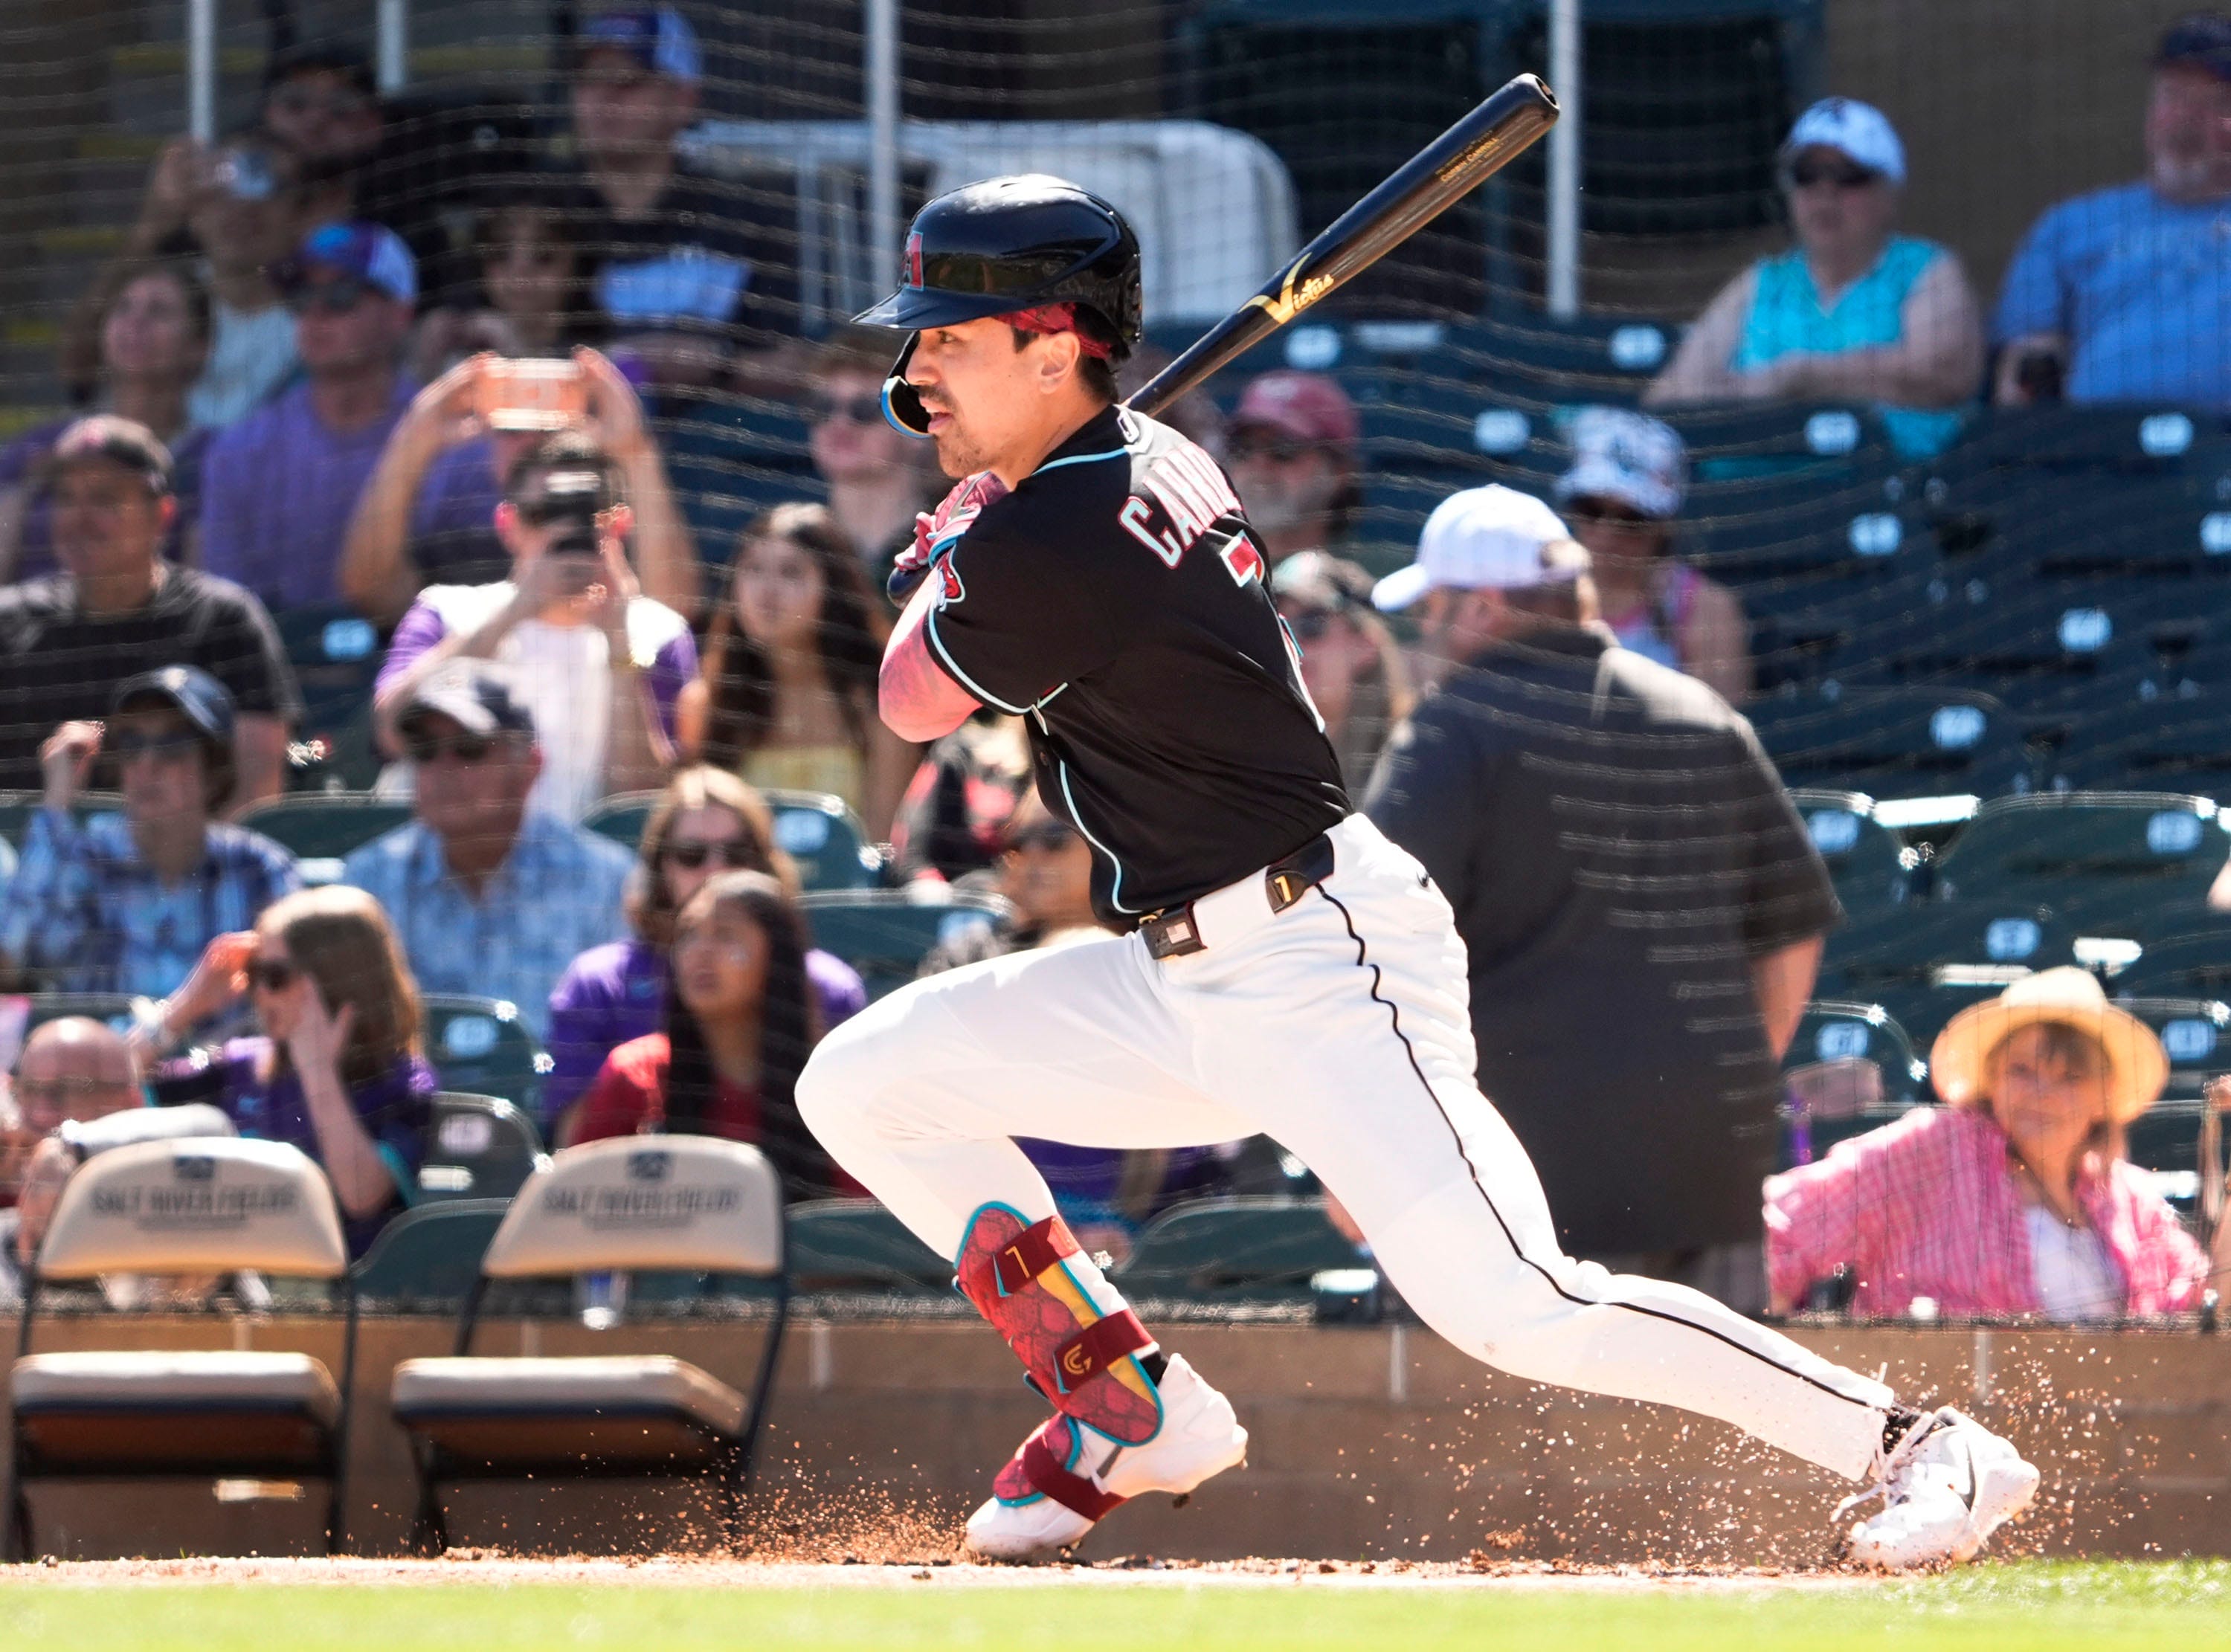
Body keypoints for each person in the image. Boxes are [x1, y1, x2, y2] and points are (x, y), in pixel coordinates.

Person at [793, 175, 2037, 1571]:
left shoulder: (1064, 531)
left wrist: (959, 549)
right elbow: (1042, 546)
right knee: (861, 1080)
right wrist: (987, 523)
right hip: (1180, 969)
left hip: (1317, 960)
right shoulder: (1126, 463)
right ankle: (1120, 1405)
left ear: (1050, 345)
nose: (913, 370)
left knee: (1519, 1306)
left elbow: (906, 701)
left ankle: (1926, 1445)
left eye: (947, 339)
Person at [1362, 486, 1835, 1313]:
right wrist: (1716, 1075)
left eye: (1430, 608)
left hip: (1517, 1179)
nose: (1423, 633)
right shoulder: (1704, 715)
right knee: (1710, 1431)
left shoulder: (1449, 733)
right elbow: (1792, 934)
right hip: (1704, 1163)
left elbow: (1368, 942)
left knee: (1495, 1439)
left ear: (1479, 607)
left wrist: (1368, 1145)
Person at [1767, 969, 2227, 1320]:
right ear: (1992, 1082)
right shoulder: (1934, 1149)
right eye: (2021, 1071)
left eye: (2069, 1077)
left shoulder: (2131, 1199)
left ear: (2102, 1099)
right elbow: (1777, 1232)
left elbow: (2208, 1312)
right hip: (1934, 1436)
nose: (2040, 1092)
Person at [370, 427, 696, 822]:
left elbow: (640, 808)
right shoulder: (446, 610)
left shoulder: (658, 631)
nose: (564, 530)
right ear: (508, 524)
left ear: (620, 525)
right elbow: (392, 733)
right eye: (544, 514)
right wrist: (515, 611)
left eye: (586, 513)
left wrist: (618, 637)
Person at [1646, 98, 1984, 459]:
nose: (1825, 193)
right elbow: (1666, 399)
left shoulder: (1928, 270)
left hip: (1886, 491)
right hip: (1750, 495)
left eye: (1849, 176)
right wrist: (1766, 391)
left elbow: (1945, 374)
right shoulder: (1761, 282)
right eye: (1807, 176)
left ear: (1889, 193)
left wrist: (1803, 379)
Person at [541, 764, 866, 1136]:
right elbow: (581, 1158)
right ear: (660, 870)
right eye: (691, 854)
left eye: (736, 853)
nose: (716, 871)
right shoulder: (599, 988)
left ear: (764, 865)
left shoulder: (829, 988)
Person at [199, 222, 502, 611]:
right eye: (302, 296)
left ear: (399, 314)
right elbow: (232, 617)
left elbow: (466, 606)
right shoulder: (238, 452)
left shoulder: (461, 443)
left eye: (341, 295)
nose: (316, 312)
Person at [0, 417, 300, 801]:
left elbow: (256, 794)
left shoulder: (224, 620)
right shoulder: (10, 625)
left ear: (161, 515)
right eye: (65, 498)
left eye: (105, 499)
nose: (78, 520)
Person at [340, 660, 634, 1042]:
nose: (444, 768)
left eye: (469, 749)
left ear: (530, 766)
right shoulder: (367, 885)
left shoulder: (607, 883)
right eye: (426, 750)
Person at [151, 886, 436, 1256]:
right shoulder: (240, 1065)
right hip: (243, 1294)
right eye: (253, 973)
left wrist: (318, 1071)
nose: (260, 994)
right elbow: (108, 1092)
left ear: (336, 980)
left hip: (349, 1301)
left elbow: (361, 1196)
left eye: (276, 976)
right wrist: (183, 1010)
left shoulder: (402, 1082)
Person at [530, 7, 797, 389]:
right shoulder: (537, 217)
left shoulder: (746, 221)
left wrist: (711, 364)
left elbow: (807, 365)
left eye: (626, 82)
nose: (602, 98)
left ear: (684, 99)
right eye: (588, 81)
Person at [0, 667, 300, 1004]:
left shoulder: (260, 868)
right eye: (131, 745)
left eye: (172, 745)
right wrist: (56, 803)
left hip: (225, 1055)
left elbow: (296, 994)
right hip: (105, 1055)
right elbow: (11, 963)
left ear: (215, 770)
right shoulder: (86, 861)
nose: (147, 763)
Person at [341, 346, 698, 627]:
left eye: (547, 426)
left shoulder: (614, 529)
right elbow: (372, 591)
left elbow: (672, 614)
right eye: (512, 429)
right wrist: (414, 439)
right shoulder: (462, 541)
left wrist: (635, 453)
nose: (530, 442)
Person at [1993, 14, 2231, 410]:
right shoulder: (2072, 225)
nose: (2187, 120)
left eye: (2215, 103)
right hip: (2102, 453)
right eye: (2173, 97)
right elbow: (2025, 365)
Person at [564, 870, 847, 1196]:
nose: (700, 951)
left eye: (726, 935)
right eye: (688, 934)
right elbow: (577, 1208)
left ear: (778, 958)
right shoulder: (633, 1076)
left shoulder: (831, 1088)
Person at [680, 501, 916, 840]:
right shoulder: (706, 703)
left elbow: (880, 847)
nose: (767, 591)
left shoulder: (881, 705)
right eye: (753, 570)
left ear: (835, 589)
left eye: (791, 572)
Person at [1, 259, 213, 582]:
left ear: (199, 347)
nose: (136, 321)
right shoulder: (37, 448)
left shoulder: (216, 458)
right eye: (123, 308)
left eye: (159, 311)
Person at [91, 126, 304, 430]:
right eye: (226, 184)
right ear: (195, 209)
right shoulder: (157, 297)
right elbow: (77, 365)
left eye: (267, 188)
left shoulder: (325, 317)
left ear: (301, 212)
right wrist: (156, 219)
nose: (244, 208)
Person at [1554, 407, 1751, 705]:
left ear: (1665, 524)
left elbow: (1720, 740)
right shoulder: (1534, 595)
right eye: (1590, 510)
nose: (1606, 533)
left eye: (1631, 518)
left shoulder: (1706, 608)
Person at [0, 1019, 149, 1303]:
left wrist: (72, 1147)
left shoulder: (175, 1234)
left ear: (130, 1104)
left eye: (67, 1090)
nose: (40, 1114)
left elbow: (211, 1126)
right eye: (28, 1090)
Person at [1269, 549, 1414, 793]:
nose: (1289, 641)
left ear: (1365, 644)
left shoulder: (1411, 760)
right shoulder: (1253, 764)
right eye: (1276, 626)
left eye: (1310, 623)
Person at [409, 203, 606, 383]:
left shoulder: (597, 362)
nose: (520, 269)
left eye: (543, 255)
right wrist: (425, 365)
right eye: (500, 254)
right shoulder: (458, 361)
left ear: (578, 266)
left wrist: (516, 355)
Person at [805, 327, 939, 580]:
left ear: (917, 424)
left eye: (864, 409)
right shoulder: (793, 548)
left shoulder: (952, 544)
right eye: (824, 407)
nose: (839, 424)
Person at [1224, 370, 1362, 567]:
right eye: (1243, 448)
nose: (1259, 464)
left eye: (1283, 449)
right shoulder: (1192, 574)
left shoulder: (1380, 586)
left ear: (1339, 472)